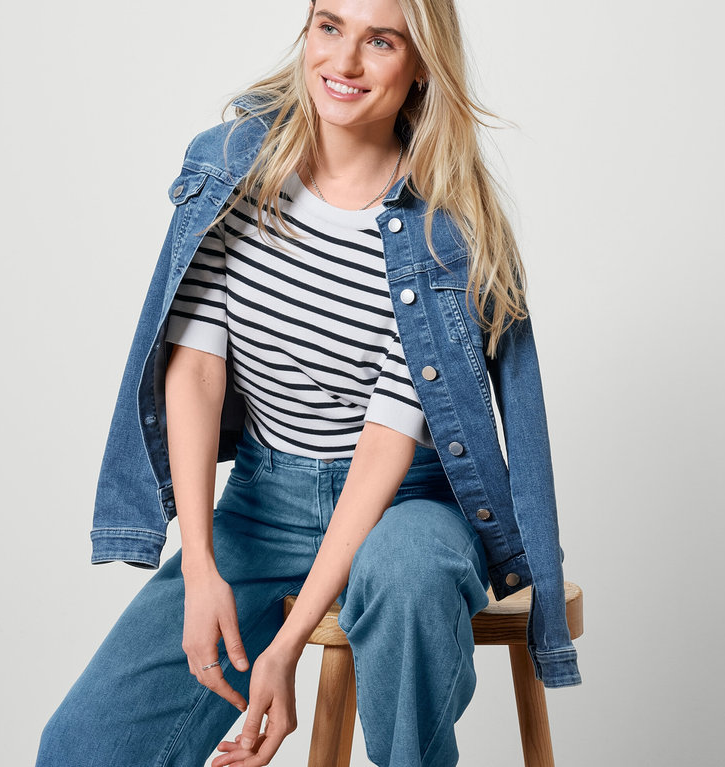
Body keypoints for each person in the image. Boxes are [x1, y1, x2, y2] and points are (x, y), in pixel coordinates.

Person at [35, 0, 582, 764]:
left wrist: (287, 644)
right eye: (330, 27)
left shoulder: (444, 228)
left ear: (421, 63)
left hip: (407, 501)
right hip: (263, 504)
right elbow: (193, 370)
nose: (345, 62)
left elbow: (390, 436)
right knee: (82, 747)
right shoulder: (232, 169)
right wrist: (201, 564)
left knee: (407, 572)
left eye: (381, 40)